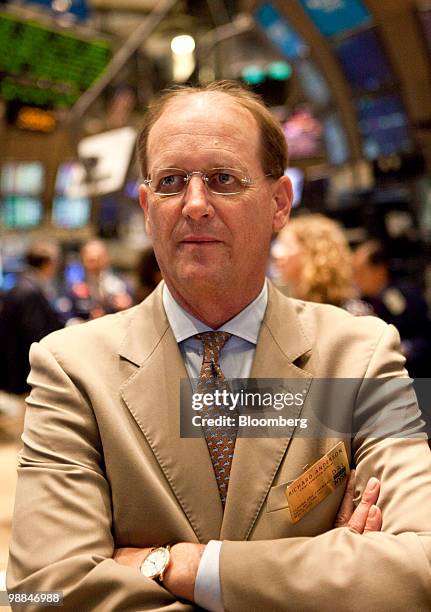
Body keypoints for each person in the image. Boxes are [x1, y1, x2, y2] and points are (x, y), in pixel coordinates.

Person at [7, 82, 431, 611]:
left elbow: (419, 568)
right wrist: (323, 576)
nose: (195, 204)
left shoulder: (363, 354)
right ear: (146, 206)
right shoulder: (71, 369)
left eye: (223, 179)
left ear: (279, 204)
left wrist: (179, 565)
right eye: (170, 182)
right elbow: (40, 594)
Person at [353, 240, 431, 378]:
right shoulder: (361, 302)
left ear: (380, 270)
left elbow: (424, 337)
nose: (356, 279)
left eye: (361, 272)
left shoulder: (404, 295)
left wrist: (404, 348)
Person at [271, 213, 372, 315]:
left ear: (312, 252)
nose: (276, 254)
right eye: (278, 244)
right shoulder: (287, 310)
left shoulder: (350, 314)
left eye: (287, 245)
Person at [0, 241, 63, 395]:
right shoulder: (31, 292)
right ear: (49, 264)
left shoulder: (19, 285)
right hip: (24, 379)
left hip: (12, 372)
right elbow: (34, 339)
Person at [65, 238, 133, 322]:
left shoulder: (121, 284)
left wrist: (126, 307)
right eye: (91, 260)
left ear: (106, 258)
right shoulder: (75, 288)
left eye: (99, 259)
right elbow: (68, 318)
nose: (95, 265)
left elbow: (132, 311)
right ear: (83, 260)